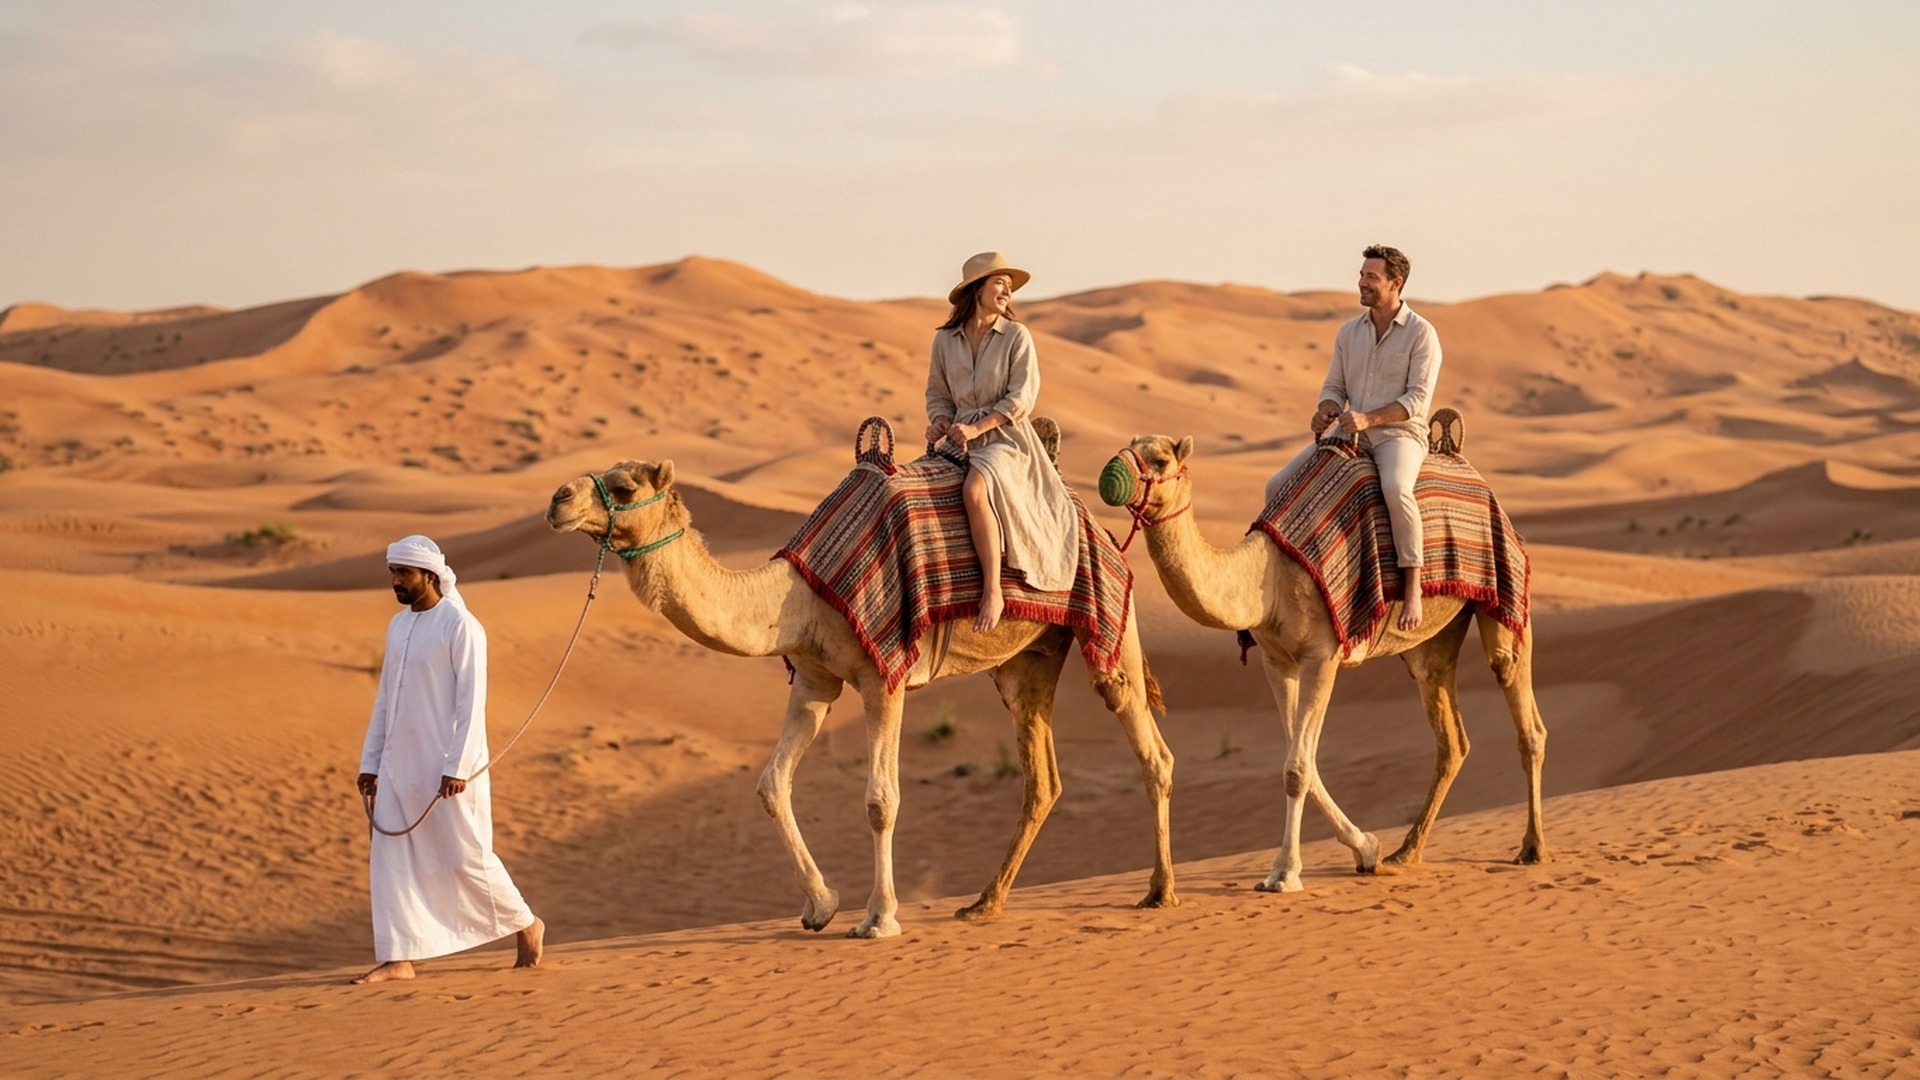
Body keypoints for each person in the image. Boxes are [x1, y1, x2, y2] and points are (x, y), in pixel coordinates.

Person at [353, 534, 543, 984]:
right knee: (390, 859)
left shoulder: (460, 625)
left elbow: (470, 702)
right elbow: (385, 700)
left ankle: (525, 922)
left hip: (447, 767)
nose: (396, 581)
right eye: (393, 573)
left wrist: (457, 768)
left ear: (429, 575)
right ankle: (398, 958)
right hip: (400, 764)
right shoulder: (398, 626)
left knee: (466, 855)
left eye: (404, 573)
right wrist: (371, 761)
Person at [1263, 245, 1443, 632]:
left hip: (1400, 435)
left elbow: (1416, 400)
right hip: (1348, 433)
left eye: (1371, 277)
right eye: (1362, 275)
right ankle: (1280, 582)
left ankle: (1412, 586)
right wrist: (1326, 408)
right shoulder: (1349, 333)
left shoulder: (1422, 334)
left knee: (1396, 489)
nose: (1361, 282)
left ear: (1396, 283)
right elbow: (1334, 386)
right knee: (1276, 484)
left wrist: (1370, 417)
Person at [926, 251, 1079, 633]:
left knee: (975, 490)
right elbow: (938, 393)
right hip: (959, 436)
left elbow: (1021, 397)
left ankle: (993, 590)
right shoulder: (945, 341)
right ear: (976, 289)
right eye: (999, 282)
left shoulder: (1016, 336)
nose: (1007, 290)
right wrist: (940, 422)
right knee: (912, 489)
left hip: (1007, 438)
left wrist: (979, 430)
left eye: (1010, 286)